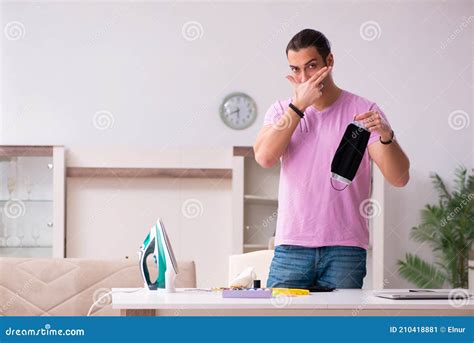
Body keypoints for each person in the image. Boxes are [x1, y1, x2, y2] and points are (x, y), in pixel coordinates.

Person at [254, 29, 410, 289]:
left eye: (312, 66)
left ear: (330, 62)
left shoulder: (364, 111)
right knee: (278, 328)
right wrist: (299, 106)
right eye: (296, 69)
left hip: (345, 250)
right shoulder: (281, 110)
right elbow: (265, 157)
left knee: (339, 329)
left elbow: (400, 178)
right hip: (292, 246)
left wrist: (386, 136)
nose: (304, 78)